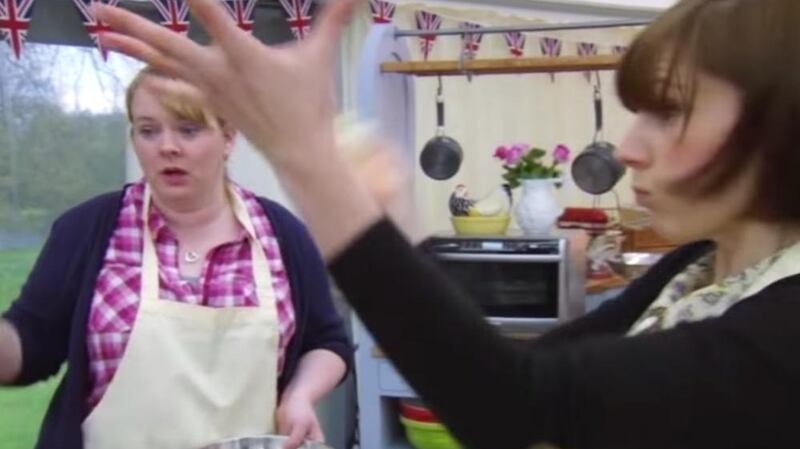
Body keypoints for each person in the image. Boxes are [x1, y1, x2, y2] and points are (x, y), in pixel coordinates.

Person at [86, 0, 800, 448]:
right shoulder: (701, 268)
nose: (630, 145)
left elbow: (512, 409)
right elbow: (516, 372)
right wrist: (392, 228)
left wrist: (307, 158)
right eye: (147, 132)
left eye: (668, 111)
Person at [0, 66, 352, 449]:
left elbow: (327, 341)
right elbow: (30, 345)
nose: (167, 146)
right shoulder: (86, 230)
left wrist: (300, 395)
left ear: (228, 137)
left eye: (188, 129)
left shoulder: (282, 234)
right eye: (149, 130)